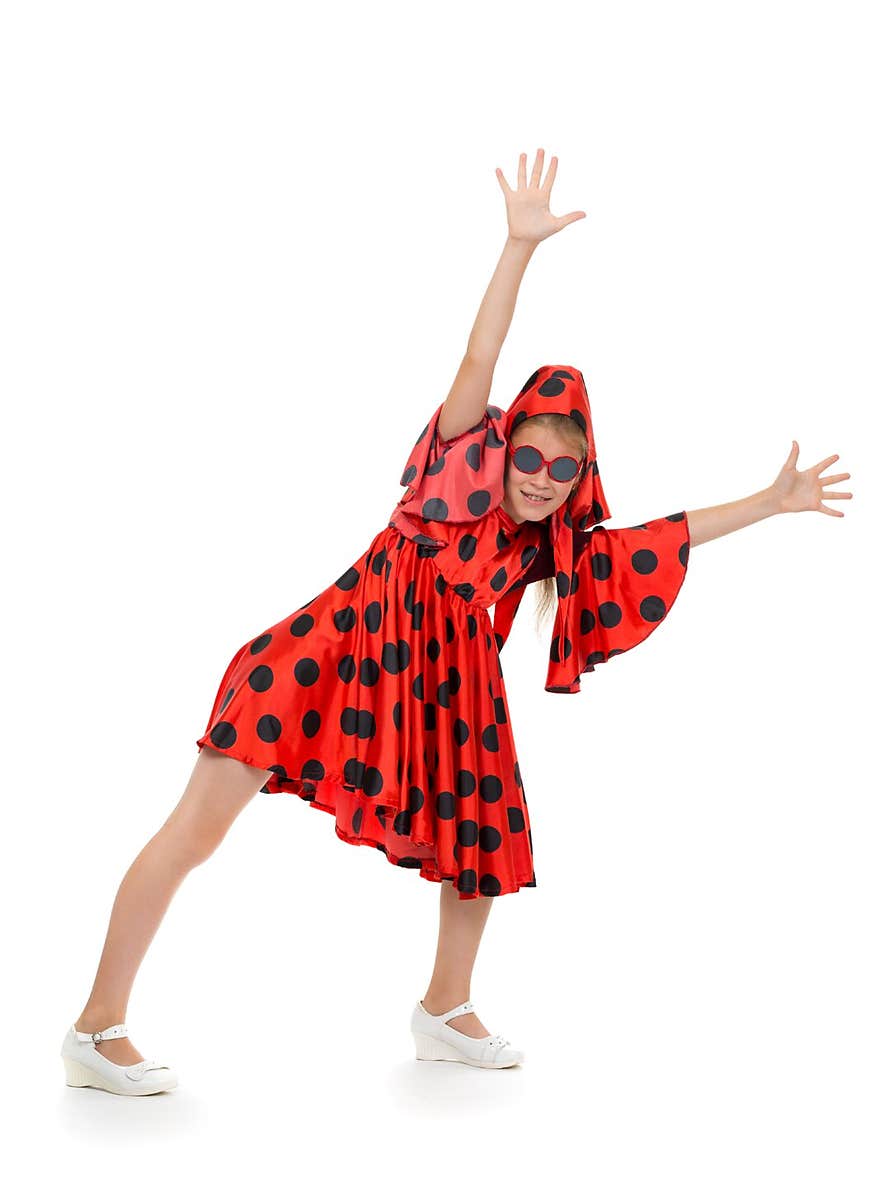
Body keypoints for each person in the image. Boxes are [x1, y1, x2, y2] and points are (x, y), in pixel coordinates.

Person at [61, 149, 852, 1095]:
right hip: (325, 662)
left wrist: (768, 504)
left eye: (562, 471)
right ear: (500, 445)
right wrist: (517, 249)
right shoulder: (454, 469)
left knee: (485, 828)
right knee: (196, 831)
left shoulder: (548, 547)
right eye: (529, 456)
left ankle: (446, 1007)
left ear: (576, 482)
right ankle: (95, 1027)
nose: (539, 478)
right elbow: (480, 357)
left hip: (447, 688)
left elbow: (658, 539)